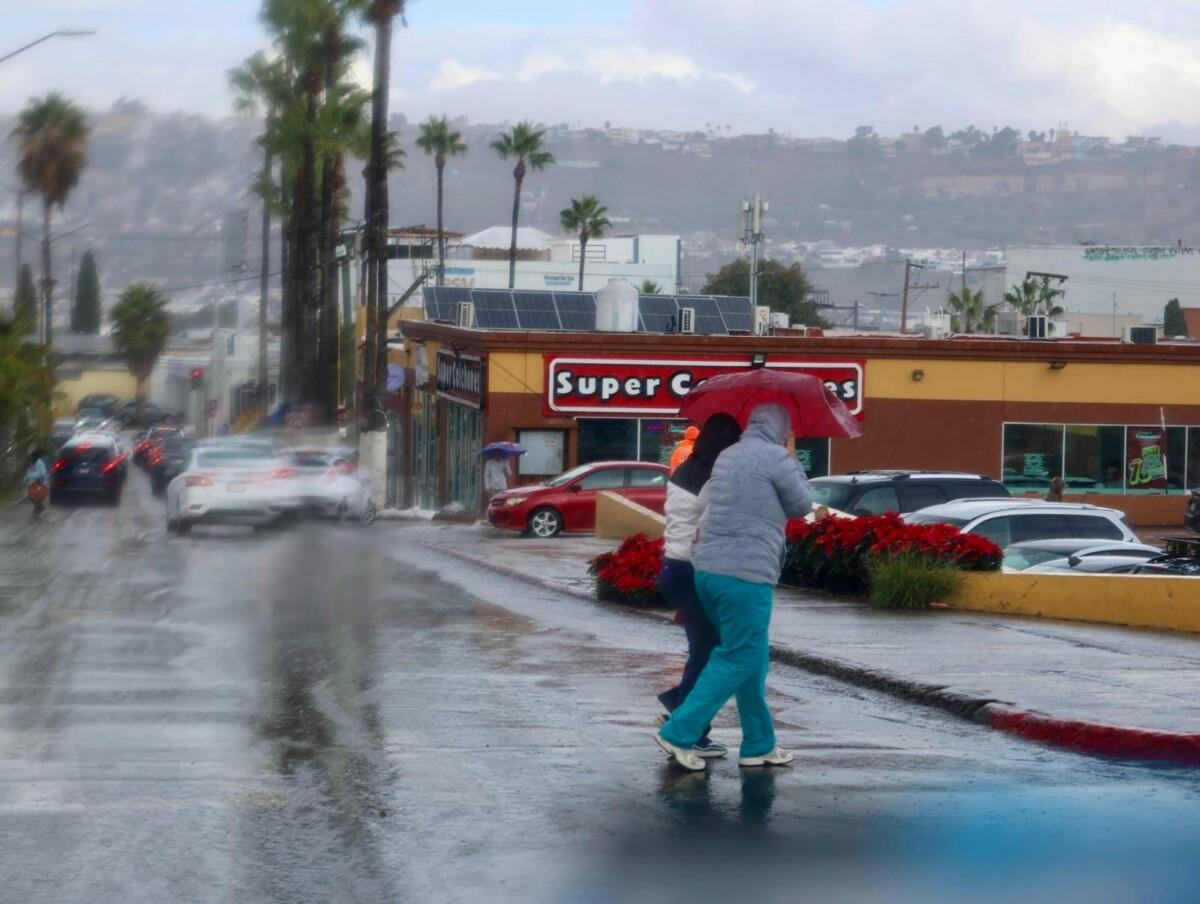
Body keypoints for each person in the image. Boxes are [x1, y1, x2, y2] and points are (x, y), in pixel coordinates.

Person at [655, 404, 812, 771]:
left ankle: (759, 743)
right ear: (780, 429)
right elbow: (801, 504)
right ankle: (680, 730)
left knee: (751, 658)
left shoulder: (728, 456)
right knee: (735, 656)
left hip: (707, 570)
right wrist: (790, 459)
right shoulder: (776, 458)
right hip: (746, 572)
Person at [656, 413, 743, 759]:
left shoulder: (685, 469)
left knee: (703, 650)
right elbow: (721, 521)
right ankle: (689, 728)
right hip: (694, 570)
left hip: (672, 567)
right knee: (710, 653)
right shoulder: (713, 478)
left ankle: (682, 709)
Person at [23, 449, 49, 515]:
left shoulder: (39, 462)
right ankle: (38, 508)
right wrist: (25, 479)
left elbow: (41, 473)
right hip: (34, 483)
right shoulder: (33, 462)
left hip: (38, 483)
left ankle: (39, 507)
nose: (30, 457)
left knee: (32, 496)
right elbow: (29, 472)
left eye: (31, 455)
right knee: (33, 496)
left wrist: (30, 475)